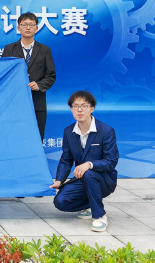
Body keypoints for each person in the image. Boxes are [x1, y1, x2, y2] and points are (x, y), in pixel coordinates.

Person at [49, 90, 118, 232]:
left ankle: (99, 215)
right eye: (75, 106)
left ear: (92, 108)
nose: (79, 110)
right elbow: (66, 159)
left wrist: (89, 164)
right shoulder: (69, 131)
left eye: (84, 106)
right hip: (83, 180)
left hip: (104, 180)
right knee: (60, 202)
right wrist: (59, 180)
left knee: (89, 173)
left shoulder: (106, 131)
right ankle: (90, 205)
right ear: (71, 109)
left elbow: (111, 161)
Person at [1, 12, 56, 140]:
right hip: (14, 102)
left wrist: (39, 85)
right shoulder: (9, 49)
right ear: (18, 27)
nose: (28, 27)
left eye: (31, 25)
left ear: (36, 28)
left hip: (37, 103)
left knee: (36, 138)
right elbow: (3, 74)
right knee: (15, 138)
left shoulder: (45, 50)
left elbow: (51, 76)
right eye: (24, 24)